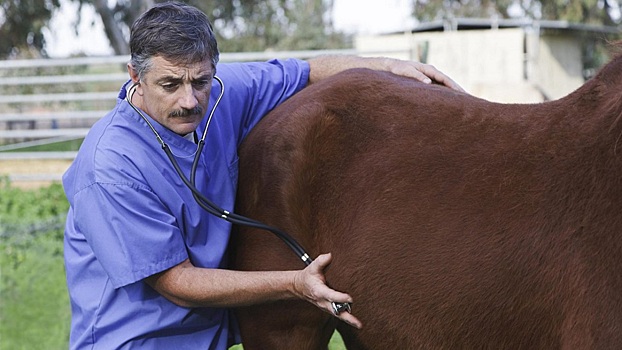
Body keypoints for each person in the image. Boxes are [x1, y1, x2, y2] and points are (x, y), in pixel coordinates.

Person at [62, 1, 463, 349]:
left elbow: (303, 72)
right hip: (135, 342)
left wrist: (391, 67)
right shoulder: (109, 168)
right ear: (135, 77)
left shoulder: (220, 93)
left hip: (206, 337)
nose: (189, 100)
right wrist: (294, 284)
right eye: (170, 84)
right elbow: (177, 283)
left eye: (200, 81)